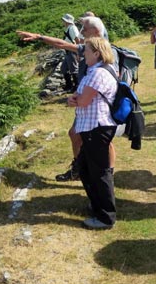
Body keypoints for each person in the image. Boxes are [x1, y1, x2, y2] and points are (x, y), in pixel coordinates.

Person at [16, 18, 116, 182]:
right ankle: (82, 169)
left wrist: (86, 96)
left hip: (99, 108)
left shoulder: (103, 50)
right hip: (86, 104)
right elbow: (62, 44)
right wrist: (39, 36)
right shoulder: (89, 47)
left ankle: (105, 173)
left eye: (85, 29)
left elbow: (112, 79)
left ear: (96, 31)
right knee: (76, 134)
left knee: (103, 141)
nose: (81, 32)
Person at [67, 37, 118, 229]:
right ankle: (97, 208)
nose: (83, 54)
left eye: (86, 51)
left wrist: (75, 100)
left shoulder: (98, 73)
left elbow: (83, 100)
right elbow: (78, 98)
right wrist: (74, 99)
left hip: (96, 127)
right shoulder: (94, 72)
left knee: (99, 172)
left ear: (97, 53)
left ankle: (106, 217)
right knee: (88, 171)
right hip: (91, 127)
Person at [60, 13, 81, 92]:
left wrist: (79, 51)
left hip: (72, 50)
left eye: (64, 20)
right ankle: (69, 85)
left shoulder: (72, 28)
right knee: (64, 68)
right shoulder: (69, 28)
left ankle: (76, 87)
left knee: (74, 69)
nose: (63, 22)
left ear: (66, 21)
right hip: (68, 51)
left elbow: (77, 40)